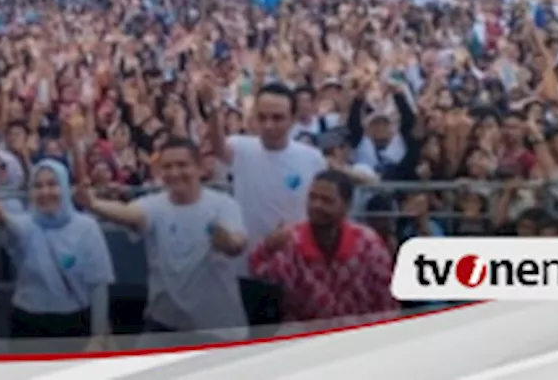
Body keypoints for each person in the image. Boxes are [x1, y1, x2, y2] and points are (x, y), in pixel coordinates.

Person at [76, 137, 249, 344]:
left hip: (218, 328)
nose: (175, 173)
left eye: (182, 165)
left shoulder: (223, 205)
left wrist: (227, 242)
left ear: (199, 168)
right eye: (167, 167)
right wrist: (93, 204)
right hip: (164, 323)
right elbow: (131, 214)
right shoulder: (153, 205)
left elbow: (237, 243)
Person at [207, 82, 326, 326]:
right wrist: (212, 109)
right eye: (262, 117)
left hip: (296, 267)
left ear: (293, 118)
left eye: (278, 118)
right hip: (248, 266)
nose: (269, 125)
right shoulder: (241, 148)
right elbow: (217, 146)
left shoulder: (311, 158)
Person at [0, 159, 115, 347]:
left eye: (52, 184)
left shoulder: (87, 228)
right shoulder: (25, 224)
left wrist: (98, 336)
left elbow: (99, 284)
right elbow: (9, 222)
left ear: (65, 187)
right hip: (28, 323)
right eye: (38, 186)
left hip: (74, 324)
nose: (45, 192)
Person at [249, 169, 399, 325]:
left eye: (327, 200)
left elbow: (387, 303)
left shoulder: (368, 244)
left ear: (346, 206)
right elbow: (258, 273)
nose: (316, 205)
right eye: (312, 198)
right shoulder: (290, 241)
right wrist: (267, 248)